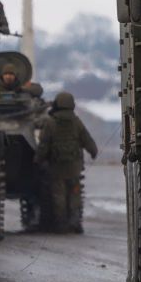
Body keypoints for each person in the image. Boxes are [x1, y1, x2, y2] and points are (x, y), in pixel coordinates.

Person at [34, 92, 98, 233]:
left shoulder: (50, 122)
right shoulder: (76, 121)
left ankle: (61, 225)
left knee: (59, 196)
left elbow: (44, 144)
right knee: (75, 194)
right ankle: (75, 223)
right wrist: (93, 151)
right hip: (74, 167)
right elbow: (86, 139)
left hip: (56, 168)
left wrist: (38, 160)